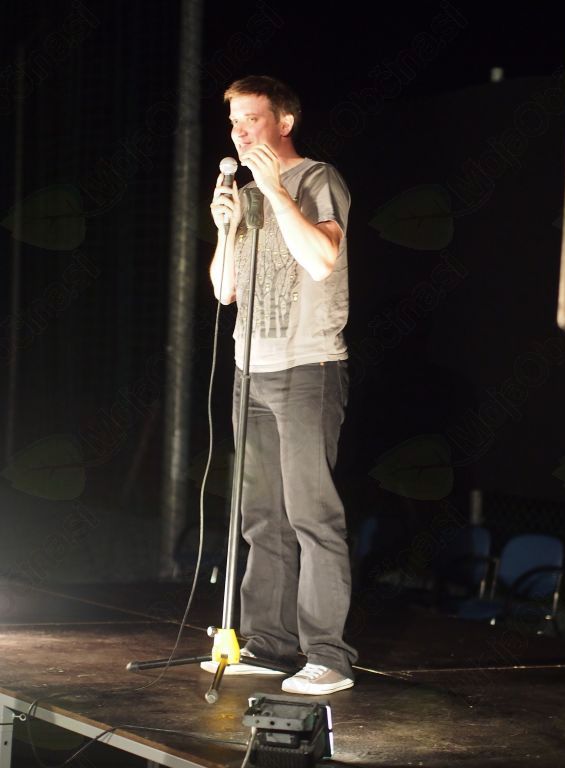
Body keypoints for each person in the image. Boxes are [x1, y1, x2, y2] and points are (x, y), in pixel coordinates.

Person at [204, 74, 357, 695]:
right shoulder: (245, 195)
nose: (240, 133)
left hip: (306, 368)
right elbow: (224, 290)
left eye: (252, 119)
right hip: (251, 372)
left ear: (284, 122)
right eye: (234, 122)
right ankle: (267, 645)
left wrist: (273, 190)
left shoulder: (318, 179)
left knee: (311, 516)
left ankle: (329, 657)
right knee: (262, 518)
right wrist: (226, 229)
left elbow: (322, 259)